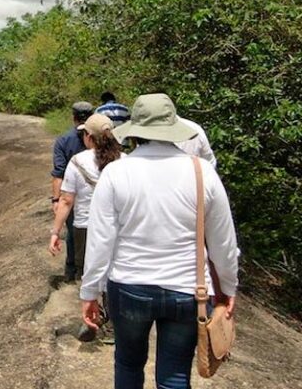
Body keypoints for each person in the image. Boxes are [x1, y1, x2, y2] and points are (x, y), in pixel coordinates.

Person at [80, 93, 239, 389]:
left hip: (128, 286)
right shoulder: (202, 171)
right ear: (173, 128)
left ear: (135, 131)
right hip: (187, 290)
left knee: (128, 363)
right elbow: (223, 241)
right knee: (175, 375)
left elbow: (100, 241)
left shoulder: (116, 172)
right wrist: (228, 287)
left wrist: (90, 292)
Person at [49, 113, 123, 279]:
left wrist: (55, 232)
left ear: (89, 137)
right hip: (116, 227)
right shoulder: (124, 160)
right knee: (114, 273)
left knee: (88, 275)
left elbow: (67, 201)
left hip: (85, 227)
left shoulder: (77, 161)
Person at [51, 101, 93, 280]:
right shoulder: (102, 139)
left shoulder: (64, 140)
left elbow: (58, 173)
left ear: (73, 117)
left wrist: (56, 199)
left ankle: (72, 271)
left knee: (73, 230)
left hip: (71, 191)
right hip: (97, 194)